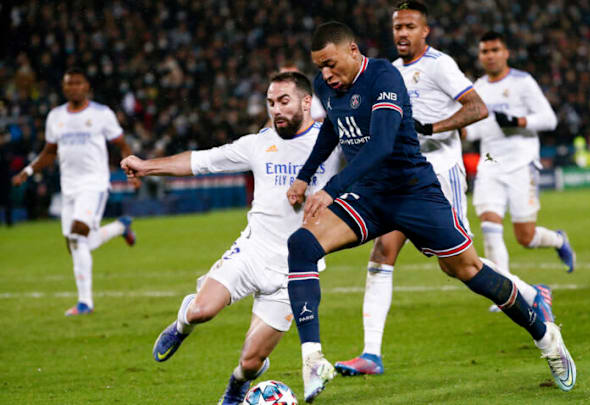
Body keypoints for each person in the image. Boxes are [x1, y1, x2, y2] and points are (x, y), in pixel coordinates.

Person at [285, 21, 576, 403]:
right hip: (369, 196)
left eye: (331, 64)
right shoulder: (327, 85)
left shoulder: (385, 76)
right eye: (319, 66)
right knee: (301, 246)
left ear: (353, 51)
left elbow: (383, 145)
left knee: (466, 269)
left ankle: (545, 336)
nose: (325, 75)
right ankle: (314, 360)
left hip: (414, 193)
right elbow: (333, 131)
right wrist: (305, 177)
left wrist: (329, 189)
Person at [120, 72, 342, 404]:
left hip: (295, 273)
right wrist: (146, 166)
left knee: (251, 362)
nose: (276, 110)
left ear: (307, 102)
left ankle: (237, 385)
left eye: (284, 101)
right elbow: (200, 162)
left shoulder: (331, 145)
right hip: (251, 252)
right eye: (270, 103)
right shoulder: (258, 143)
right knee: (202, 311)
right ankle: (182, 324)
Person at [335, 0, 489, 376]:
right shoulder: (389, 73)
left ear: (425, 31)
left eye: (409, 27)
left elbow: (477, 108)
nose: (401, 33)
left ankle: (532, 295)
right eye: (397, 27)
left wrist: (431, 128)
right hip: (401, 177)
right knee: (382, 251)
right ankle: (371, 353)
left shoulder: (439, 65)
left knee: (459, 266)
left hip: (439, 174)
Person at [464, 31, 576, 313]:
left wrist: (518, 120)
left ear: (506, 53)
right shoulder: (478, 87)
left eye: (494, 50)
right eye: (484, 51)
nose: (489, 55)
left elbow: (549, 119)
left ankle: (559, 240)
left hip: (521, 165)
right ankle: (505, 293)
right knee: (489, 227)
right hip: (490, 165)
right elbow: (477, 128)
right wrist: (458, 128)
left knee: (525, 237)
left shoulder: (522, 82)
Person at [12, 67, 136, 316]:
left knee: (79, 234)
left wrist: (132, 170)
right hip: (68, 187)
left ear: (86, 86)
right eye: (69, 83)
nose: (73, 87)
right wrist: (27, 171)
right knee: (78, 243)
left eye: (78, 83)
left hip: (94, 184)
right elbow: (49, 153)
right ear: (64, 87)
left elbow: (121, 144)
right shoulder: (56, 116)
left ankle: (85, 303)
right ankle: (120, 227)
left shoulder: (102, 114)